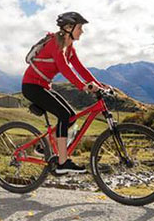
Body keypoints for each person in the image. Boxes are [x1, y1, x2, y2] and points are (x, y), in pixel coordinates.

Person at [22, 11, 110, 174]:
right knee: (63, 114)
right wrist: (83, 86)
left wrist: (99, 85)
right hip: (31, 86)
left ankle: (44, 147)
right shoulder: (56, 44)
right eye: (80, 28)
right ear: (69, 28)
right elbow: (64, 68)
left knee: (70, 116)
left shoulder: (70, 47)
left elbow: (80, 68)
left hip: (44, 86)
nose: (82, 31)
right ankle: (63, 162)